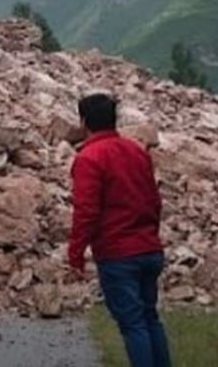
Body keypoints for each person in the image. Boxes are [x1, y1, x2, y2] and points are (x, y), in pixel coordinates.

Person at [68, 92, 172, 367]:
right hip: (149, 248)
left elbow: (86, 212)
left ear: (84, 121)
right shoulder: (137, 151)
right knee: (150, 318)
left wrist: (76, 253)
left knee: (133, 324)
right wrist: (150, 234)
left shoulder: (89, 158)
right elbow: (153, 199)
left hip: (118, 255)